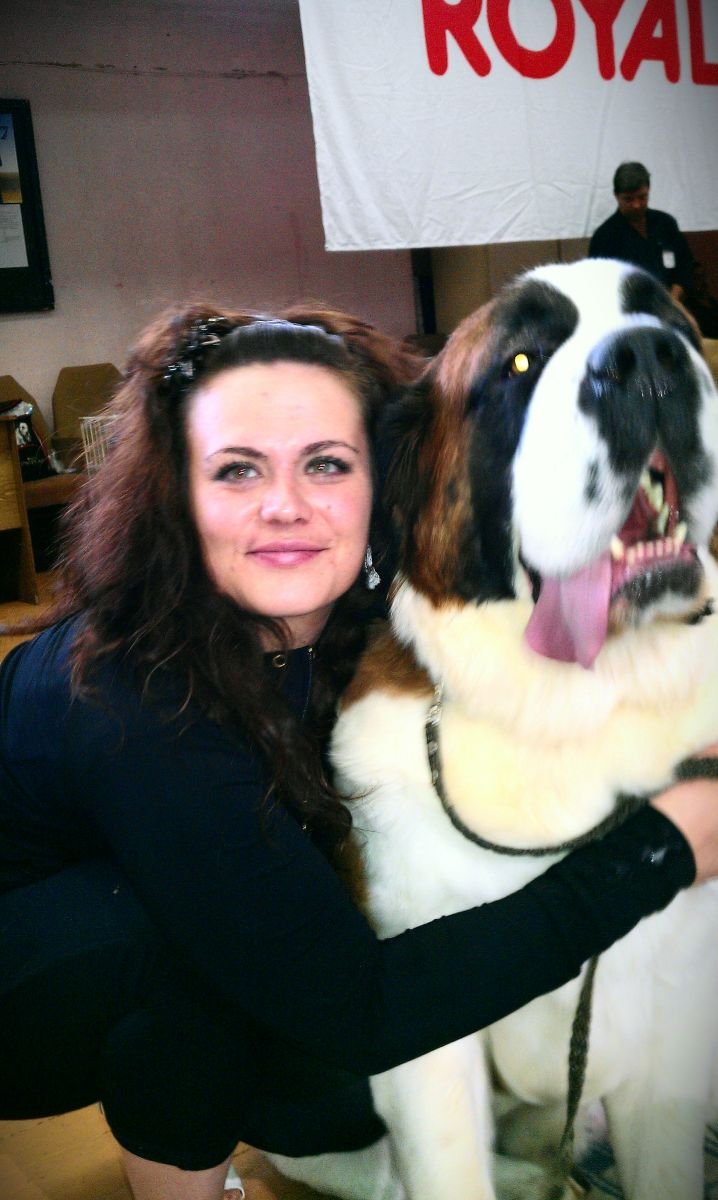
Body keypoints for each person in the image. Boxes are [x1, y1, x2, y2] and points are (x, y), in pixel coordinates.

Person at [2, 302, 718, 1200]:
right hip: (36, 977)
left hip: (152, 912)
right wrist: (661, 850)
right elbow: (359, 1010)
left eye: (327, 463)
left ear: (385, 478)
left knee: (330, 1094)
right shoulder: (136, 699)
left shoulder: (340, 605)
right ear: (176, 494)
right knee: (192, 954)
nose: (286, 506)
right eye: (237, 469)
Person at [588, 161, 694, 301]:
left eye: (642, 197)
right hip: (632, 308)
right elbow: (600, 286)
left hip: (674, 301)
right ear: (616, 196)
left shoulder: (666, 223)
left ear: (649, 190)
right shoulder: (604, 237)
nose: (637, 205)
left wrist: (673, 299)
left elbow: (685, 265)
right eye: (628, 199)